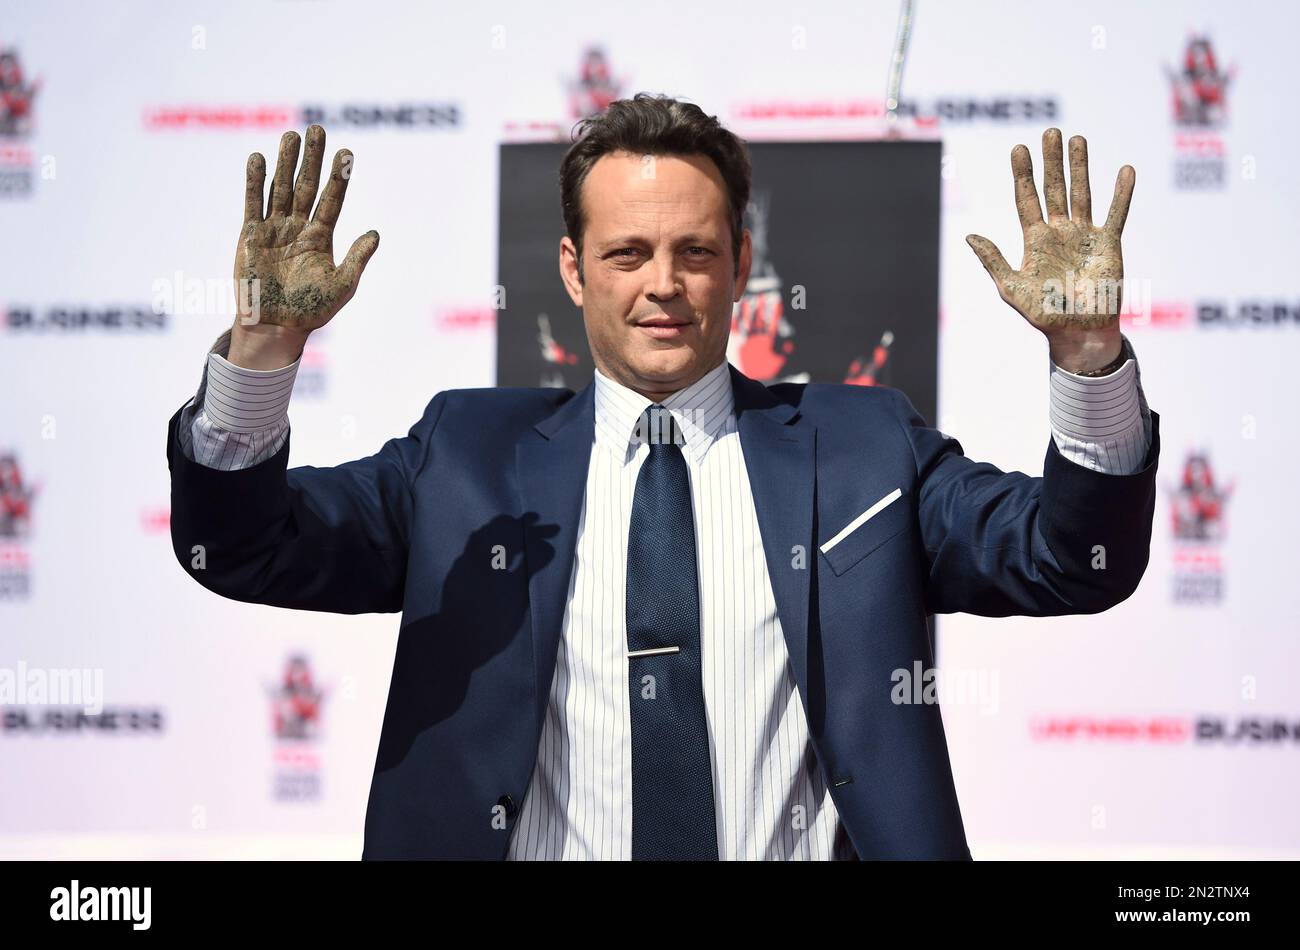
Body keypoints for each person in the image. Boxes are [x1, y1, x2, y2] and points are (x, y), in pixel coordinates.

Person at [167, 93, 1158, 860]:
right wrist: (262, 349)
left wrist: (1085, 356)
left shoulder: (865, 444)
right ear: (571, 268)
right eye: (627, 252)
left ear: (740, 260)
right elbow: (247, 545)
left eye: (693, 251)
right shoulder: (464, 453)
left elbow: (1076, 559)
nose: (662, 284)